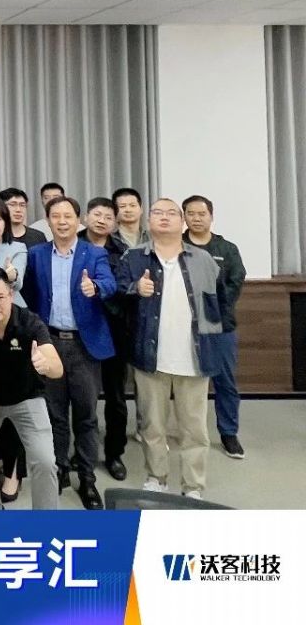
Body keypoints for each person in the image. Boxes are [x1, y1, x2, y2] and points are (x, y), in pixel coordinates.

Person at [116, 199, 230, 500]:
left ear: (182, 222)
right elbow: (117, 295)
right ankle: (157, 478)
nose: (164, 217)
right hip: (150, 355)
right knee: (152, 426)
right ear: (148, 221)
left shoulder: (203, 259)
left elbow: (218, 300)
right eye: (157, 213)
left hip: (194, 356)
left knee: (194, 429)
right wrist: (135, 290)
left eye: (171, 213)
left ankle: (193, 486)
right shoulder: (134, 257)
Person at [21, 196, 117, 510]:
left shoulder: (95, 253)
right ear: (48, 221)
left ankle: (87, 478)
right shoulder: (36, 254)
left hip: (83, 344)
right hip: (50, 341)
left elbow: (110, 283)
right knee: (55, 414)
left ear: (79, 221)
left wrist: (96, 288)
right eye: (56, 216)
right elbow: (28, 294)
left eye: (68, 216)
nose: (62, 222)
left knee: (86, 415)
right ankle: (60, 468)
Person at [0, 266, 63, 510]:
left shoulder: (29, 322)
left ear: (10, 294)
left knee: (45, 461)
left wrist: (45, 364)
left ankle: (47, 520)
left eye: (0, 297)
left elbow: (57, 367)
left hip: (28, 398)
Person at [183, 194, 247, 459]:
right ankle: (187, 433)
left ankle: (229, 433)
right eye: (191, 214)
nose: (196, 218)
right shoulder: (175, 246)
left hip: (220, 325)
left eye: (202, 214)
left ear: (211, 216)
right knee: (185, 383)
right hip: (183, 326)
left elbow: (235, 281)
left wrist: (211, 309)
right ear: (184, 217)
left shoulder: (226, 248)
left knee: (225, 382)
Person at [80, 197, 131, 481]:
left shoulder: (123, 252)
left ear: (115, 223)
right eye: (97, 214)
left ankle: (114, 453)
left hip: (113, 330)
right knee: (82, 398)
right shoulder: (72, 244)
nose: (101, 220)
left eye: (108, 217)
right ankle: (82, 451)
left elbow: (125, 289)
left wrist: (101, 293)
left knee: (115, 398)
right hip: (78, 330)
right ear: (86, 217)